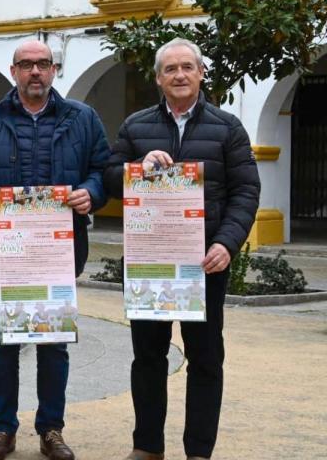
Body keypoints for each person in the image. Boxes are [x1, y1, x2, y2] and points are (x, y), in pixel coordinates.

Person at [103, 38, 259, 460]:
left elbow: (246, 190)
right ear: (158, 78)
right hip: (152, 261)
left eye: (187, 67)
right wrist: (137, 169)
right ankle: (147, 446)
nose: (179, 75)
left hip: (205, 263)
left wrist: (227, 243)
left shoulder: (228, 127)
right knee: (148, 358)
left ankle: (198, 452)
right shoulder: (136, 127)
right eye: (170, 69)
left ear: (201, 72)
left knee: (206, 359)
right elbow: (109, 179)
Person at [0, 40, 109, 460]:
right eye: (26, 65)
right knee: (2, 343)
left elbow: (101, 169)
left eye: (43, 64)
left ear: (54, 70)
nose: (35, 72)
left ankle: (51, 429)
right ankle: (3, 428)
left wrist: (90, 193)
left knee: (54, 343)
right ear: (13, 71)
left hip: (58, 253)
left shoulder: (83, 118)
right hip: (5, 252)